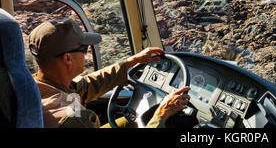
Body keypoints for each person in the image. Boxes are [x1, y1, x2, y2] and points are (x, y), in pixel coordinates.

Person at [28, 18, 190, 128]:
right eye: (84, 49)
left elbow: (85, 86)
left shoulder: (38, 85)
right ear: (67, 59)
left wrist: (132, 62)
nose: (86, 54)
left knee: (131, 122)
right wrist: (162, 114)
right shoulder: (76, 120)